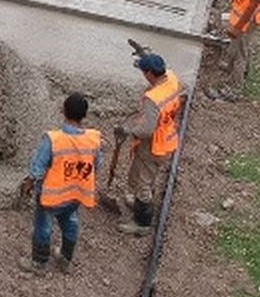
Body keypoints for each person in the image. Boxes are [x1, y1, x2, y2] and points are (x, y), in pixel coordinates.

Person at [18, 93, 103, 275]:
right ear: (84, 115)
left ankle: (39, 263)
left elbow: (38, 168)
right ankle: (65, 258)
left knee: (44, 227)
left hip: (52, 196)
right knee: (71, 223)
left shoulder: (53, 139)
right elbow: (97, 166)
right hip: (76, 195)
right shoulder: (93, 140)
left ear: (63, 111)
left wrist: (28, 184)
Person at [116, 53, 185, 235]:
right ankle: (140, 201)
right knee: (148, 175)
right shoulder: (171, 78)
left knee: (142, 181)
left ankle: (142, 223)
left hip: (153, 145)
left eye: (143, 71)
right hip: (167, 138)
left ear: (149, 74)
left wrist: (129, 132)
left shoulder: (152, 99)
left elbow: (147, 129)